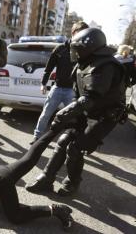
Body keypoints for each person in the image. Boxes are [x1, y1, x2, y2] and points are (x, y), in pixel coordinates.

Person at [25, 28, 128, 196]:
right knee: (63, 140)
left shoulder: (106, 66)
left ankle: (72, 183)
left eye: (79, 48)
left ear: (91, 47)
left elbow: (90, 98)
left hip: (104, 117)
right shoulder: (84, 64)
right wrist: (69, 116)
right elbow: (78, 96)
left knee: (75, 147)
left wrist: (63, 115)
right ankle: (46, 179)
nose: (76, 52)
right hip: (87, 111)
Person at [30, 21, 89, 145]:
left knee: (75, 118)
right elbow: (49, 67)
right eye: (79, 33)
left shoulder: (84, 51)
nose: (81, 37)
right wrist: (43, 83)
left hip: (72, 91)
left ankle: (73, 141)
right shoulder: (60, 49)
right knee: (46, 114)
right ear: (73, 33)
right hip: (57, 88)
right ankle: (37, 137)